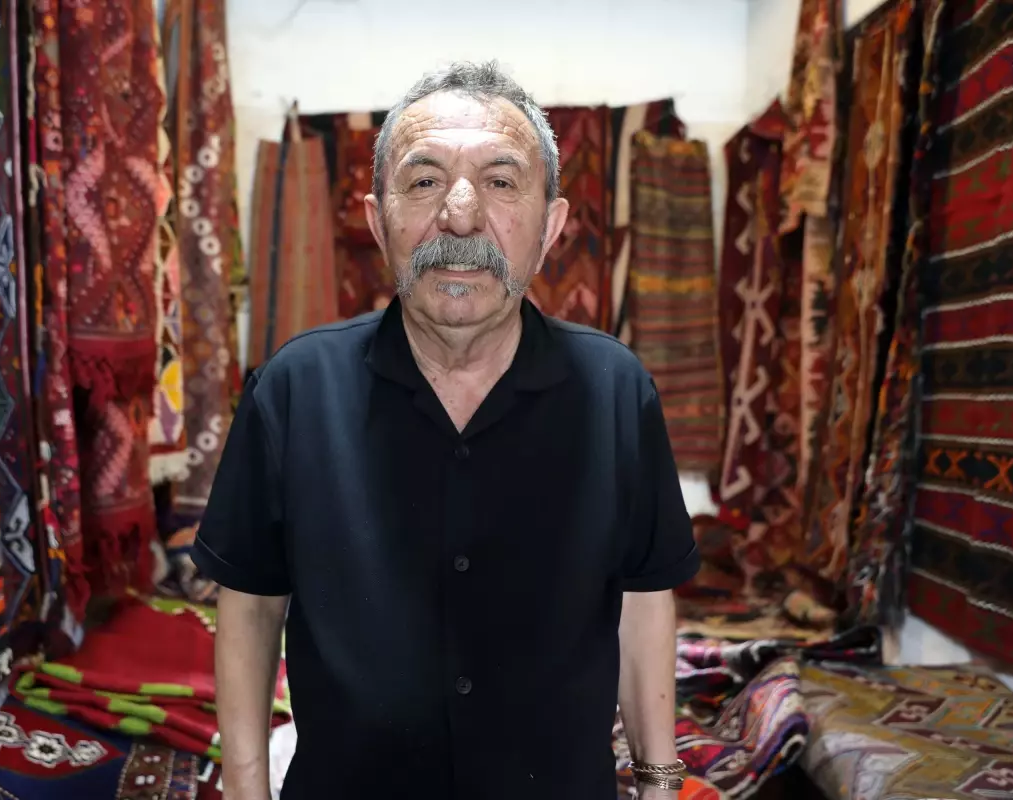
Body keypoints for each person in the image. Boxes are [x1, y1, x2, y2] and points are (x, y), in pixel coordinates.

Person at [193, 61, 698, 800]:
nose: (461, 216)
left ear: (551, 227)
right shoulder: (294, 390)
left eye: (500, 181)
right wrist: (246, 792)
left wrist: (659, 783)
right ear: (377, 222)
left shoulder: (615, 392)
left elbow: (644, 602)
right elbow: (250, 604)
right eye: (425, 180)